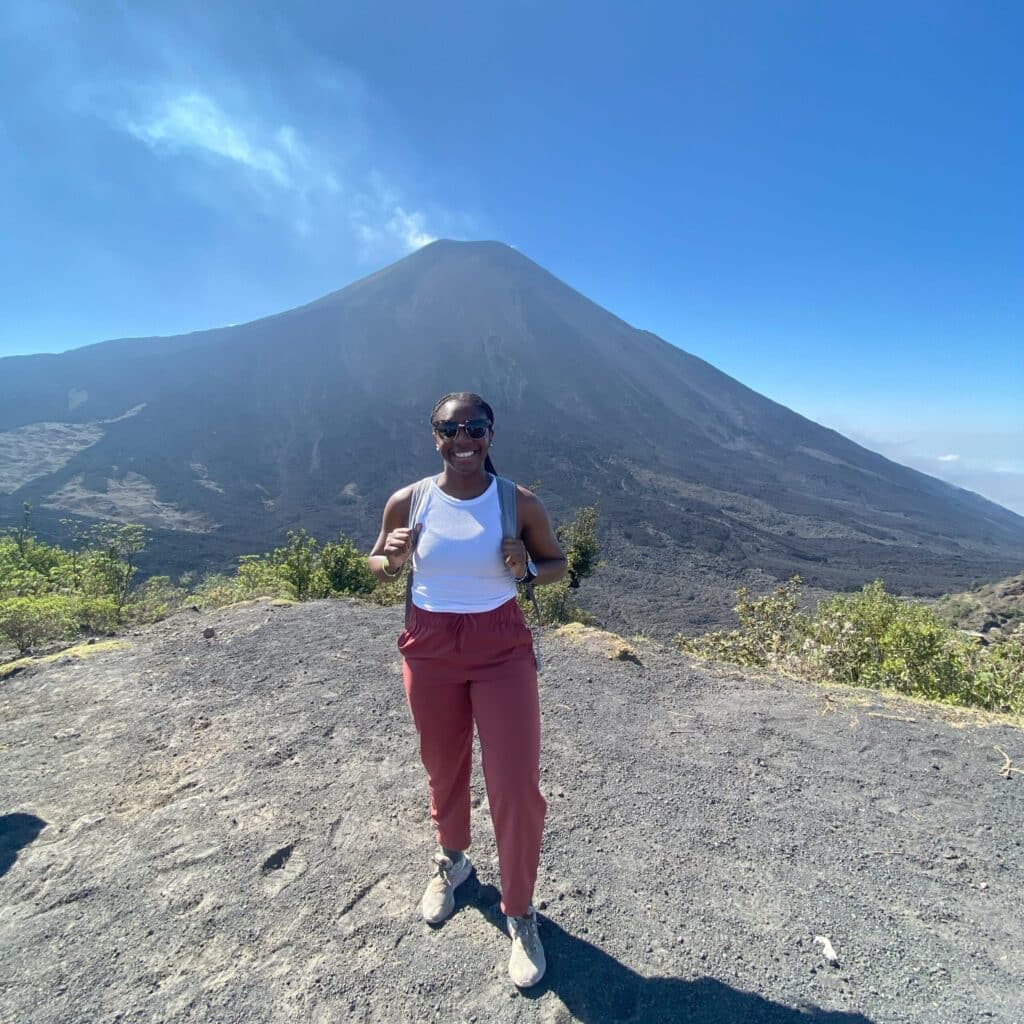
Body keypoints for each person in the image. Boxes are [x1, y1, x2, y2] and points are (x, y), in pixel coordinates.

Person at [368, 392, 567, 988]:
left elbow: (556, 563)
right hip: (428, 645)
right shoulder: (410, 500)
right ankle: (453, 862)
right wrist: (391, 560)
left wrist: (525, 568)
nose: (464, 439)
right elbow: (376, 562)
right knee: (443, 767)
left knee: (514, 784)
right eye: (450, 429)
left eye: (474, 428)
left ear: (490, 433)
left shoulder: (516, 502)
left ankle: (519, 909)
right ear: (435, 436)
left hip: (501, 646)